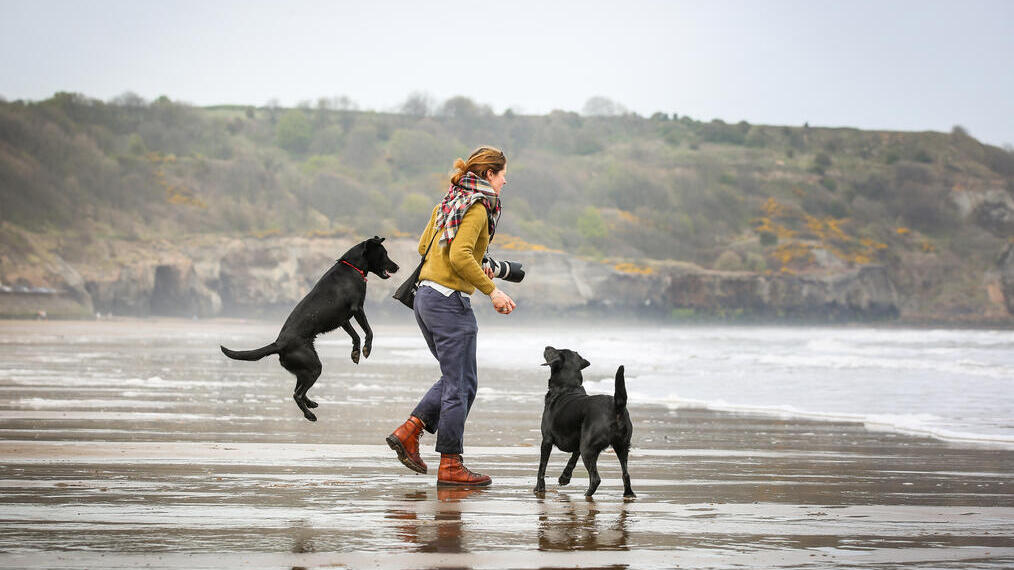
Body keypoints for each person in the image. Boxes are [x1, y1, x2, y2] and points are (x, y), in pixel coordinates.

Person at [386, 146, 516, 487]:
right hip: (449, 302)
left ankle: (409, 432)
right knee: (459, 385)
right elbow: (459, 256)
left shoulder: (450, 199)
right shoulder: (478, 206)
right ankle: (450, 464)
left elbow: (425, 247)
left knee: (459, 379)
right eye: (503, 174)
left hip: (425, 298)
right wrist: (492, 290)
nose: (505, 181)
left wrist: (476, 262)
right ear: (489, 174)